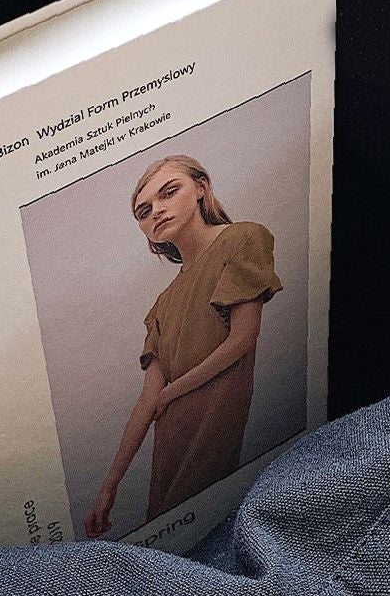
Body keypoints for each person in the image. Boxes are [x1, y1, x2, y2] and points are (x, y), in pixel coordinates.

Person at [83, 154, 282, 538]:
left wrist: (170, 393)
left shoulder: (243, 239)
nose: (156, 211)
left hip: (213, 428)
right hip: (169, 440)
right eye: (144, 211)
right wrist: (109, 488)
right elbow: (147, 402)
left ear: (201, 188)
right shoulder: (162, 304)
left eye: (169, 192)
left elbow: (242, 340)